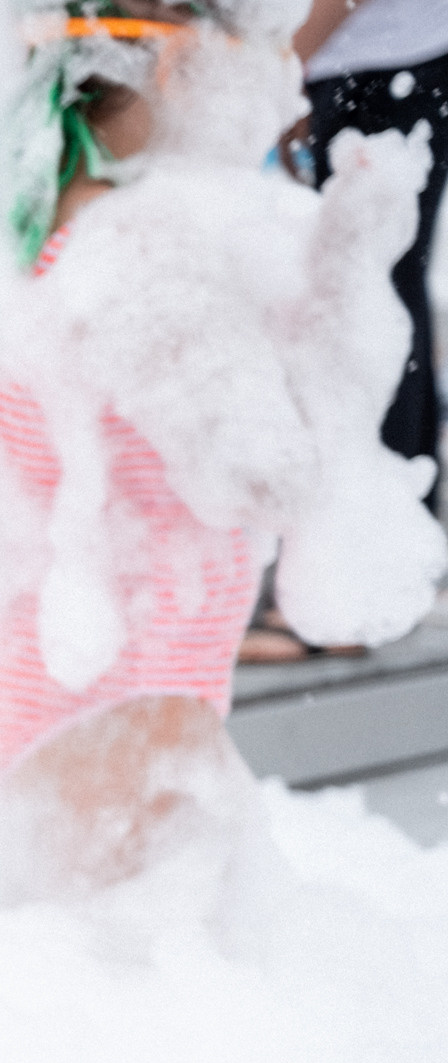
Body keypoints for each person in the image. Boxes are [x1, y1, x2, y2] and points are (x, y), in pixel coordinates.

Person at [0, 0, 442, 893]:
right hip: (123, 720)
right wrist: (350, 264)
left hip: (46, 690)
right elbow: (271, 475)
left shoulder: (19, 229)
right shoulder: (154, 251)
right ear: (187, 71)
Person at [241, 0, 448, 662]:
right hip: (383, 58)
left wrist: (281, 67)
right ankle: (372, 577)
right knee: (375, 297)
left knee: (367, 305)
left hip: (379, 62)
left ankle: (358, 590)